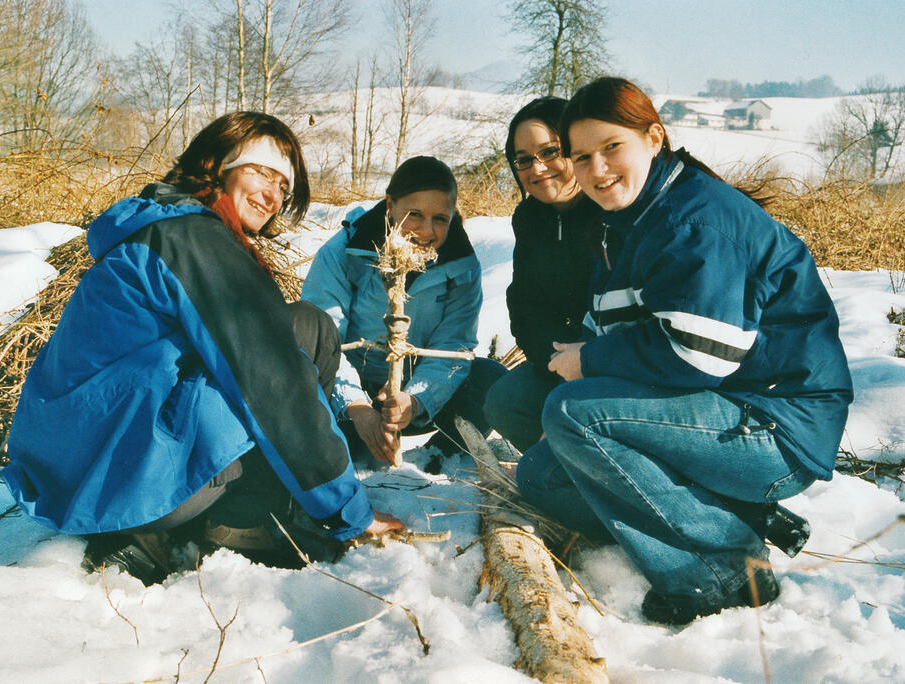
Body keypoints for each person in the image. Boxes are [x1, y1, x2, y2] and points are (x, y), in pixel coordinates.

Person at [2, 112, 403, 582]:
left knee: (285, 331)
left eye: (284, 187)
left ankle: (157, 527)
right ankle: (242, 523)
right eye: (261, 173)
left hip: (72, 476)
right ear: (218, 165)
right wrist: (348, 514)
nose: (273, 196)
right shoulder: (196, 240)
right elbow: (276, 385)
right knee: (304, 332)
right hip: (115, 484)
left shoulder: (157, 227)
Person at [516, 77, 853, 624]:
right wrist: (587, 352)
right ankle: (733, 514)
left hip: (774, 426)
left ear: (654, 137)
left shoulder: (695, 219)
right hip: (722, 412)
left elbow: (701, 354)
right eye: (582, 157)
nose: (596, 170)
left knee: (574, 415)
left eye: (611, 148)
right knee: (541, 474)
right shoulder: (630, 219)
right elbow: (620, 318)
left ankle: (725, 567)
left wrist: (590, 364)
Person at [301, 156, 505, 468]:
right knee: (309, 401)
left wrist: (415, 399)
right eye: (414, 215)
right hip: (348, 395)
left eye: (440, 219)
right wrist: (356, 406)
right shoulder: (345, 252)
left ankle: (437, 457)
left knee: (491, 379)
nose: (426, 230)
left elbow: (454, 346)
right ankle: (351, 444)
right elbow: (324, 338)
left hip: (416, 397)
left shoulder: (461, 267)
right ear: (390, 205)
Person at [483, 96, 599, 452]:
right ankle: (559, 466)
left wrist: (588, 361)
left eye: (551, 152)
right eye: (524, 159)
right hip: (558, 360)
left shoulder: (608, 209)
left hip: (613, 362)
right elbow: (525, 301)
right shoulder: (530, 219)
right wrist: (555, 361)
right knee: (504, 401)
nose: (538, 168)